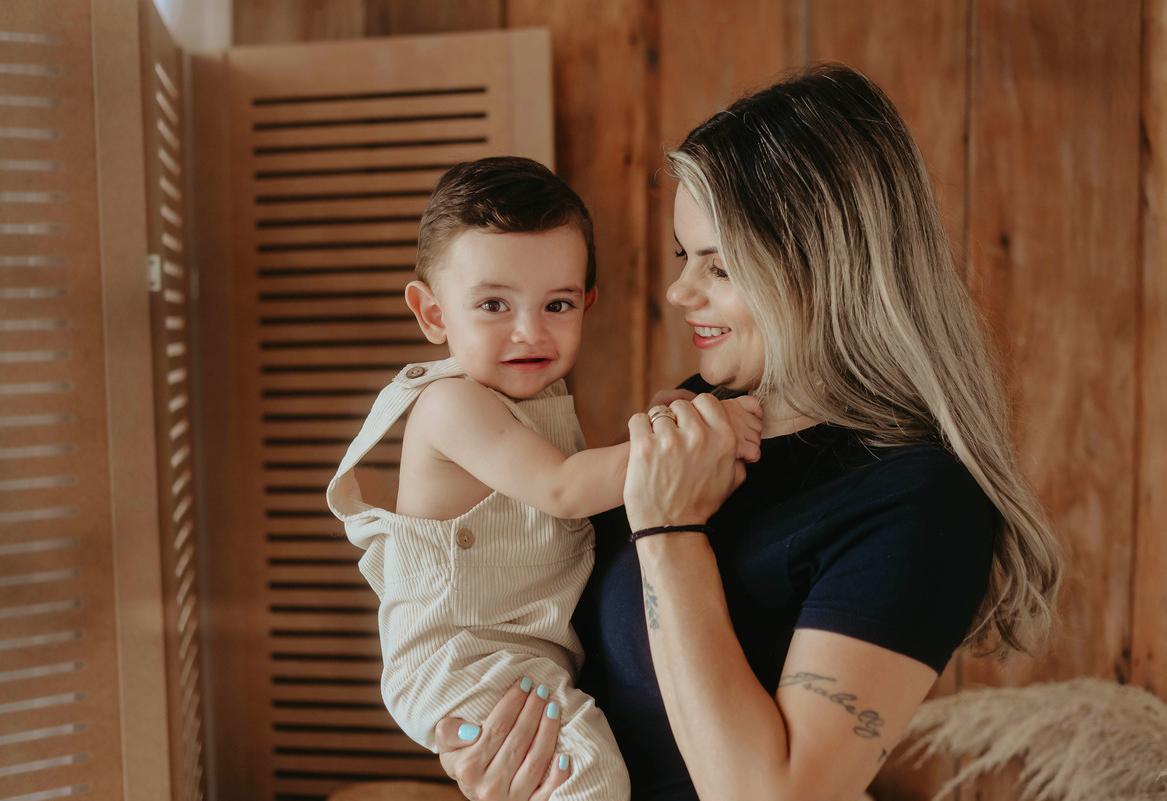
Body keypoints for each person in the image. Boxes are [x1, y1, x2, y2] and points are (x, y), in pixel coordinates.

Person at [431, 65, 1063, 801]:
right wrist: (500, 748)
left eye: (721, 266)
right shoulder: (708, 410)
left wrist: (669, 529)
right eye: (683, 256)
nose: (679, 291)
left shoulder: (920, 500)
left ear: (828, 269)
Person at [326, 157, 762, 801]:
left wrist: (659, 418)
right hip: (464, 658)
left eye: (557, 304)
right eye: (493, 305)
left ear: (587, 302)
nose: (529, 331)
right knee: (589, 778)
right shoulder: (451, 406)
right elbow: (564, 489)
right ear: (433, 314)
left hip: (523, 651)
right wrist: (688, 432)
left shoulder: (534, 400)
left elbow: (579, 484)